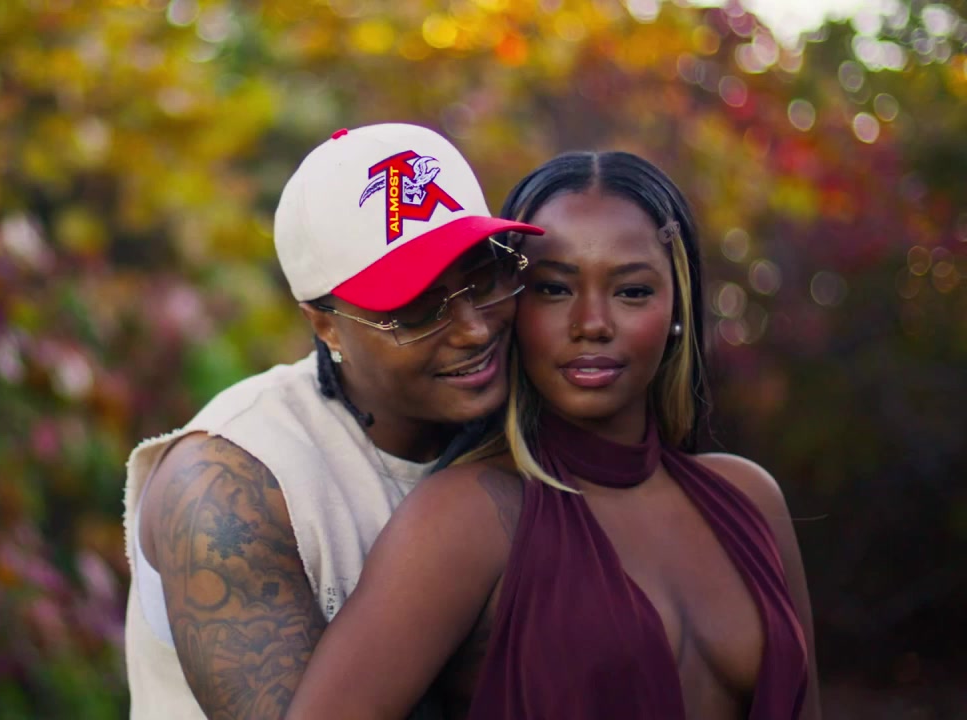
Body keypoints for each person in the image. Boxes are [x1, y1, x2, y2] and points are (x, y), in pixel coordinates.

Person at [285, 151, 821, 720]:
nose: (592, 324)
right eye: (553, 290)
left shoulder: (750, 498)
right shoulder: (467, 518)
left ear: (676, 309)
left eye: (632, 291)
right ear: (512, 301)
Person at [122, 123, 546, 719]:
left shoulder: (527, 422)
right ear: (325, 325)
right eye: (418, 310)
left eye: (483, 278)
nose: (475, 328)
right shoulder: (229, 483)